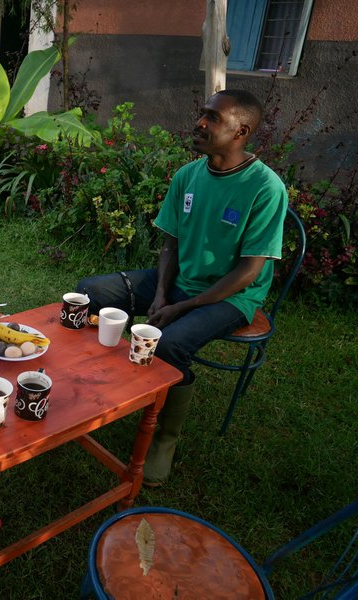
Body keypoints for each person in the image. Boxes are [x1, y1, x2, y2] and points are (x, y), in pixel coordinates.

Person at [76, 89, 288, 485]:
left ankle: (163, 438)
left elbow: (248, 271)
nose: (199, 123)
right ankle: (98, 390)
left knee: (170, 343)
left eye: (212, 118)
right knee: (89, 292)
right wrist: (160, 294)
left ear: (241, 130)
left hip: (230, 296)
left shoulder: (265, 188)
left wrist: (181, 308)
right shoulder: (188, 175)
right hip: (175, 281)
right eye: (202, 114)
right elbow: (170, 243)